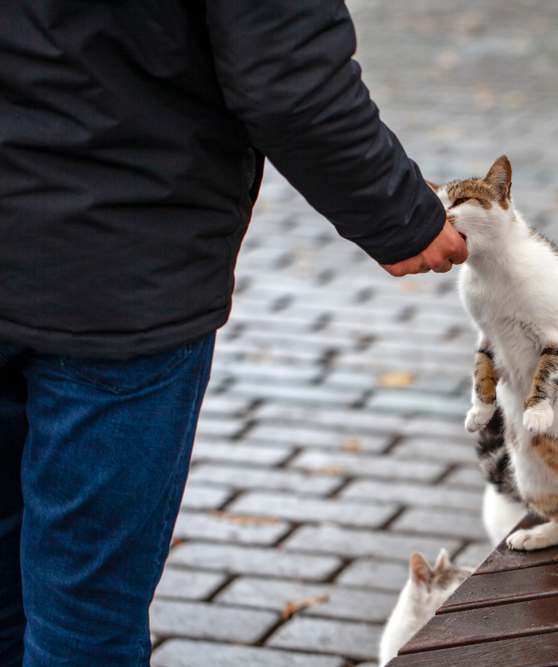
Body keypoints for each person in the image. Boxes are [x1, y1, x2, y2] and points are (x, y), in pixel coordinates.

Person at [0, 2, 468, 665]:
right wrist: (401, 215)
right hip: (117, 276)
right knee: (85, 620)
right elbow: (285, 72)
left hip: (99, 260)